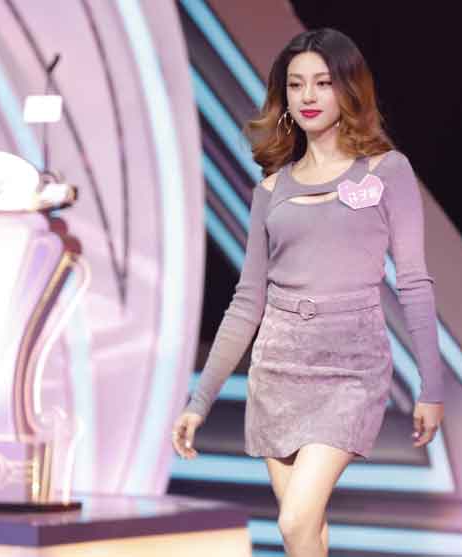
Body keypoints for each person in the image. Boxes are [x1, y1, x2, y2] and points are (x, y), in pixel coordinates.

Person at [171, 28, 445, 556]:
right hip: (278, 367)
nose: (308, 96)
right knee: (306, 532)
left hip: (351, 366)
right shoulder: (271, 189)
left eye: (322, 82)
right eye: (296, 85)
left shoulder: (388, 171)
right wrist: (199, 401)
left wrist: (431, 388)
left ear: (348, 89)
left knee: (295, 519)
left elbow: (413, 281)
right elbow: (246, 301)